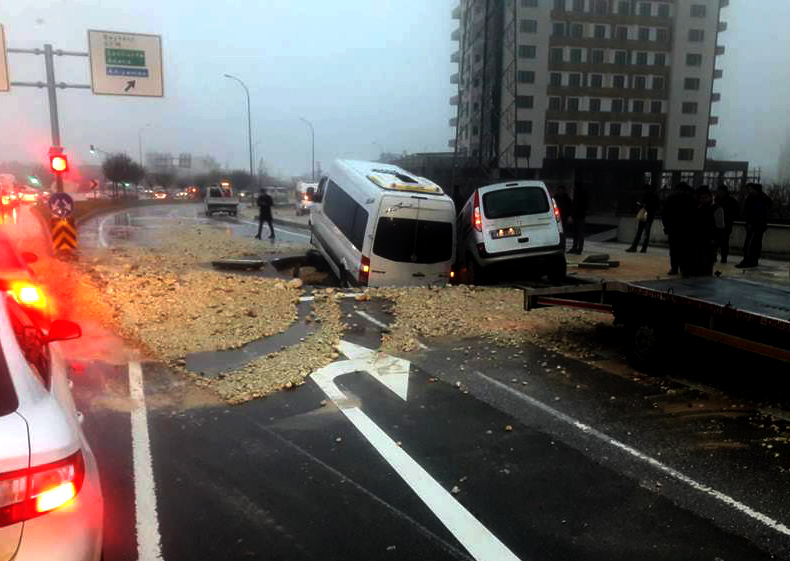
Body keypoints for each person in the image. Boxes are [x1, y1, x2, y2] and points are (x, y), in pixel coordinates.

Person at [661, 182, 696, 275]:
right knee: (680, 250)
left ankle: (678, 268)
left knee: (679, 250)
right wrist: (667, 226)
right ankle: (680, 268)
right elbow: (665, 214)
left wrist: (667, 226)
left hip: (680, 229)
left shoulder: (689, 199)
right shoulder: (690, 199)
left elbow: (664, 214)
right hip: (681, 229)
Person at [736, 183, 772, 268]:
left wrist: (750, 223)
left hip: (756, 225)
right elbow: (748, 211)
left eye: (751, 189)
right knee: (752, 244)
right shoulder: (752, 198)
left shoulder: (761, 198)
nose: (749, 191)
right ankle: (750, 260)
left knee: (752, 244)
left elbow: (756, 213)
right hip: (754, 225)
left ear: (756, 190)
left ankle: (749, 261)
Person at [690, 186, 723, 276]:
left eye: (705, 197)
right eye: (701, 198)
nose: (703, 200)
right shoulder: (699, 208)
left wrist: (716, 239)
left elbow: (720, 226)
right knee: (698, 262)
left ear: (710, 197)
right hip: (699, 238)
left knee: (707, 264)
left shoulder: (717, 209)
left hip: (710, 240)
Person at [626, 184, 660, 253]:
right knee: (645, 233)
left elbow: (654, 206)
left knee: (640, 232)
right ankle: (643, 248)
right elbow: (656, 206)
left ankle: (635, 247)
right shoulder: (653, 196)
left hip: (646, 215)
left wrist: (644, 206)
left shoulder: (647, 196)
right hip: (649, 216)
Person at [714, 184, 739, 263]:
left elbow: (736, 212)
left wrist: (729, 219)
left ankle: (724, 257)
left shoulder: (731, 201)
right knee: (716, 241)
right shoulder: (716, 200)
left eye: (721, 191)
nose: (720, 193)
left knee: (724, 242)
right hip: (717, 224)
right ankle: (714, 256)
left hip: (726, 224)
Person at [569, 182, 588, 255]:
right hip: (579, 216)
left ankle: (577, 247)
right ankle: (577, 248)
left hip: (579, 216)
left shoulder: (579, 194)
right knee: (578, 233)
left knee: (578, 233)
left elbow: (577, 205)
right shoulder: (581, 194)